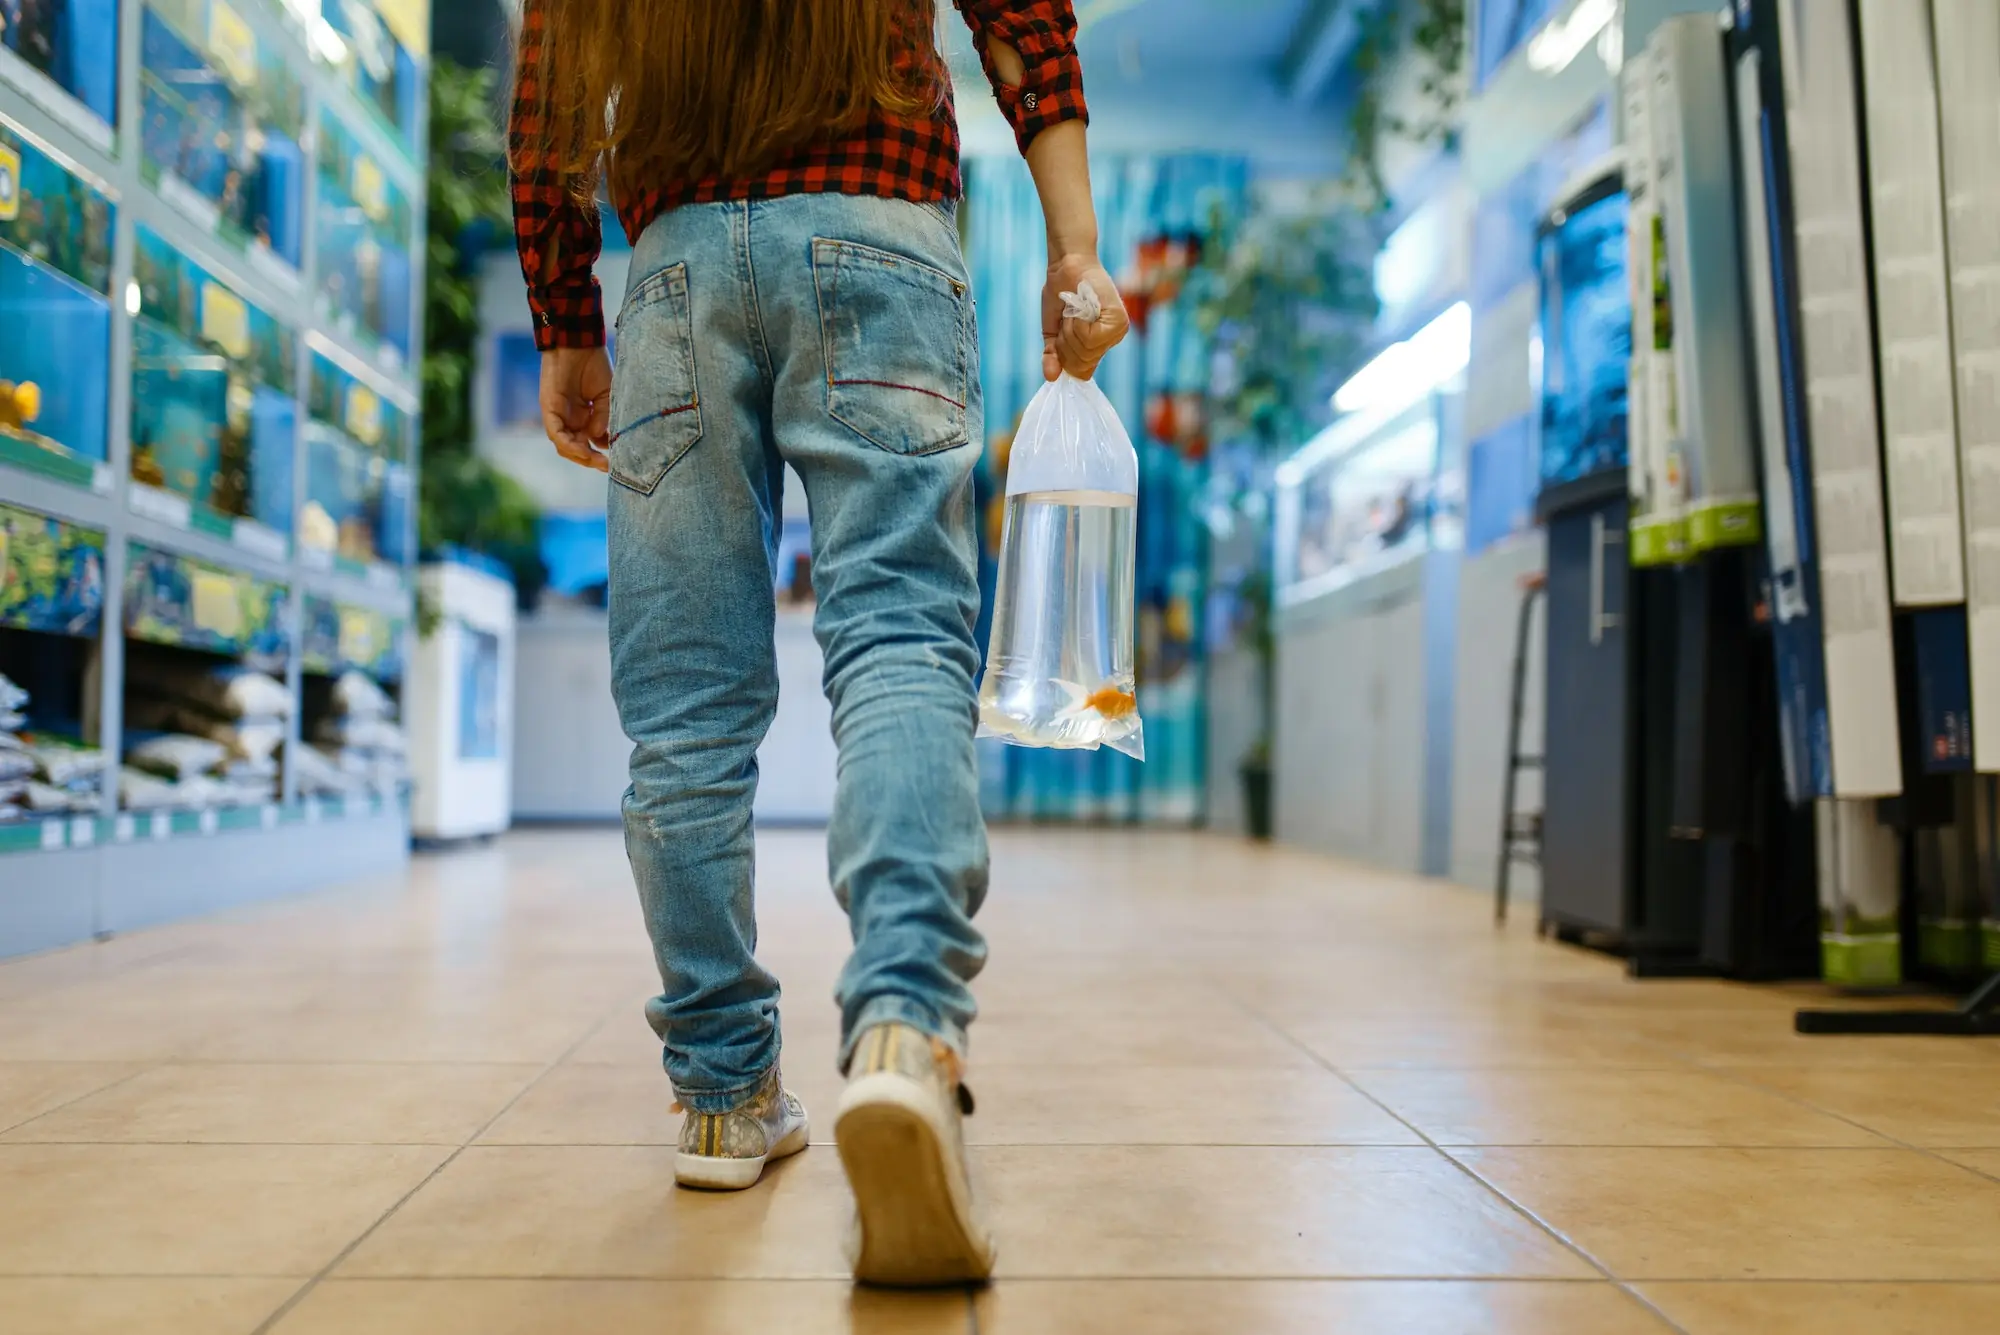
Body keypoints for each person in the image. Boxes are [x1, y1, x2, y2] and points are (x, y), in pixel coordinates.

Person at [509, 0, 1127, 1287]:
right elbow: (1023, 18)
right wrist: (1074, 247)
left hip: (674, 270)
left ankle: (726, 1095)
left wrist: (567, 317)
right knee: (899, 637)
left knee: (682, 704)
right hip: (876, 234)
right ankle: (904, 1032)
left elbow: (549, 87)